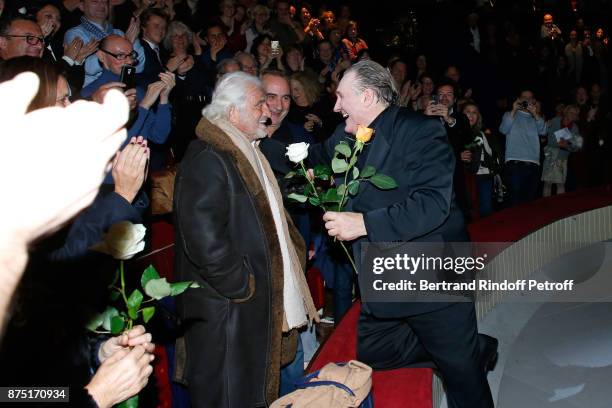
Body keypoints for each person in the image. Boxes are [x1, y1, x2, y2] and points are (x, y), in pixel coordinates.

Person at [306, 60, 496, 408]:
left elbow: (432, 203)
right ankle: (473, 348)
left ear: (366, 96)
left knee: (463, 379)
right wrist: (255, 146)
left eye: (341, 97)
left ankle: (463, 354)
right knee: (376, 351)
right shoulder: (345, 134)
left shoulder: (420, 130)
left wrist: (363, 224)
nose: (335, 106)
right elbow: (311, 157)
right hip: (387, 273)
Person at [173, 72, 318, 407]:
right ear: (233, 112)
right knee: (229, 394)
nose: (266, 111)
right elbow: (205, 242)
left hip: (245, 308)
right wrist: (244, 286)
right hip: (227, 312)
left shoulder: (245, 150)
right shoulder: (208, 157)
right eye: (258, 104)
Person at [499, 89, 547, 206]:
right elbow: (503, 129)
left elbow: (544, 131)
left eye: (529, 97)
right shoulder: (510, 114)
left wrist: (535, 114)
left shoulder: (536, 118)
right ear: (518, 99)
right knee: (515, 200)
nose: (526, 99)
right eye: (524, 97)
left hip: (533, 164)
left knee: (529, 202)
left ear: (533, 101)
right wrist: (514, 109)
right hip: (514, 163)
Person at [542, 105, 582, 196]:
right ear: (566, 112)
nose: (573, 115)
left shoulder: (575, 128)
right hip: (550, 157)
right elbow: (550, 140)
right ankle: (545, 206)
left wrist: (566, 145)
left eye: (575, 114)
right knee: (547, 183)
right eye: (571, 112)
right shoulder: (555, 121)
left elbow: (577, 146)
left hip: (562, 159)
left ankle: (559, 207)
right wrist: (562, 144)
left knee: (560, 184)